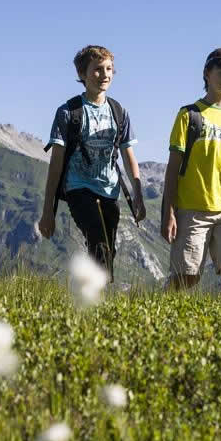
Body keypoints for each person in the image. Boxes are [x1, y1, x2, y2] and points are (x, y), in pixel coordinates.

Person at [38, 45, 146, 279]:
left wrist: (137, 195)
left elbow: (129, 157)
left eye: (109, 69)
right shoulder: (68, 112)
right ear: (82, 75)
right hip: (78, 188)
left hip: (110, 190)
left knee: (108, 249)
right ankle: (95, 297)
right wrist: (48, 210)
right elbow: (56, 163)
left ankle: (96, 296)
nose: (105, 74)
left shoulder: (119, 112)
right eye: (97, 69)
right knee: (97, 240)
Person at [161, 47, 221, 293]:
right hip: (192, 209)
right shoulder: (189, 115)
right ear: (207, 74)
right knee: (187, 277)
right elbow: (173, 168)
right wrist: (169, 211)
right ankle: (158, 310)